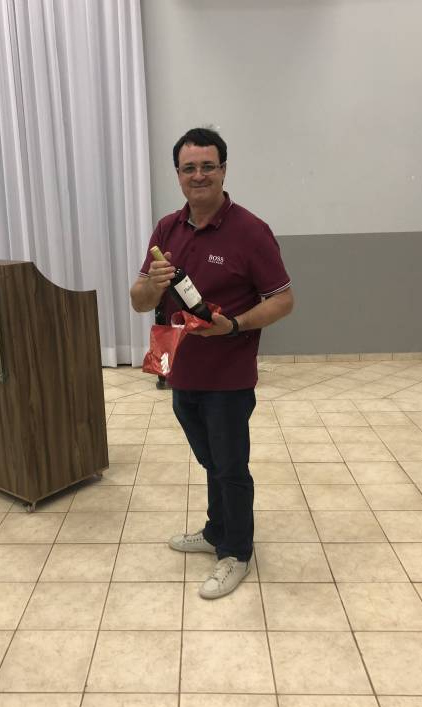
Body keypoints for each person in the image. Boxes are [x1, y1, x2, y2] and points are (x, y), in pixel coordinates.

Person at [130, 127, 293, 599]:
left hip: (229, 377)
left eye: (207, 166)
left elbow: (283, 300)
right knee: (211, 460)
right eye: (189, 168)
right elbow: (139, 300)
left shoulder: (250, 231)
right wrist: (152, 284)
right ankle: (216, 529)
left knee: (230, 466)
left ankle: (236, 552)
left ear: (223, 169)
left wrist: (235, 325)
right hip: (181, 371)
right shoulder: (167, 229)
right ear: (178, 174)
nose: (198, 175)